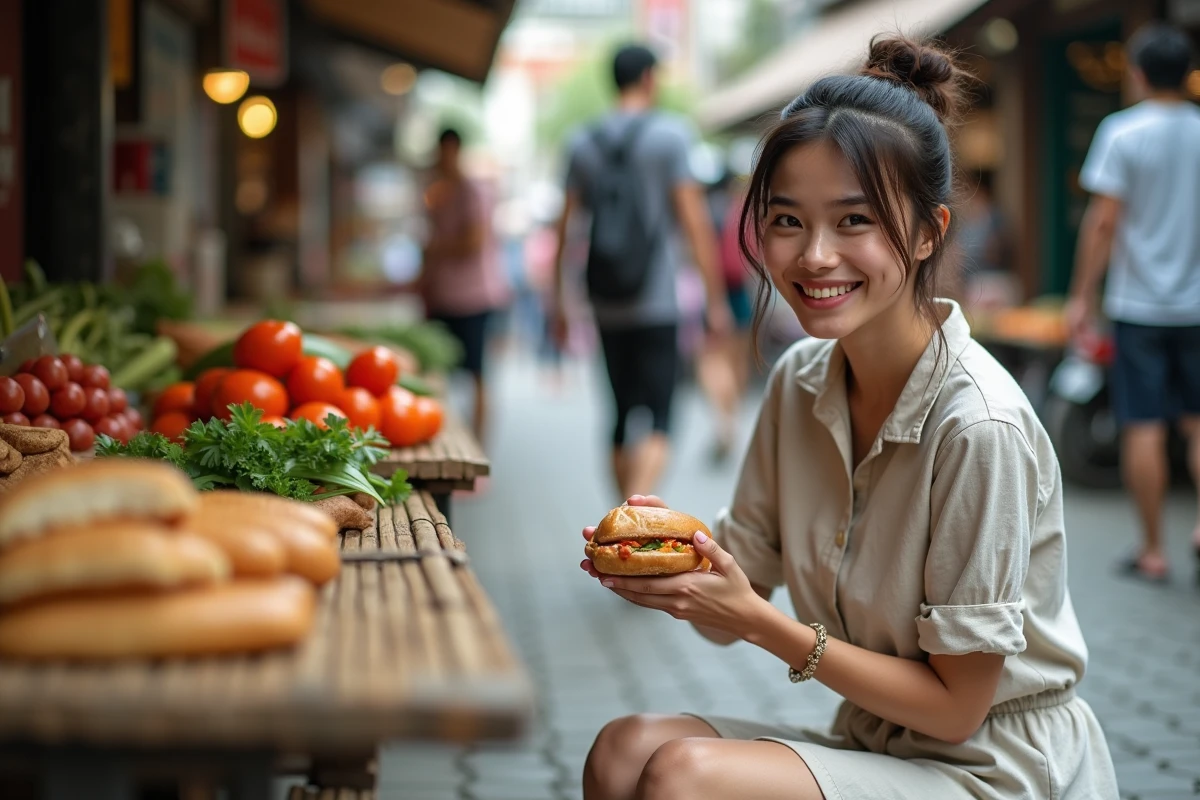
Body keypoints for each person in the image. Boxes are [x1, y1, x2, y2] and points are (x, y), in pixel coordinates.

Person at [578, 36, 1118, 800]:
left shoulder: (978, 427)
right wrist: (680, 563)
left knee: (683, 777)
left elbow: (957, 709)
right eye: (788, 220)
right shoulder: (799, 381)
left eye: (855, 220)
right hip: (875, 744)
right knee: (623, 748)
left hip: (995, 768)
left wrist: (765, 626)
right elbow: (726, 614)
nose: (814, 257)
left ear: (930, 231)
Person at [552, 43, 733, 501]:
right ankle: (632, 517)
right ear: (650, 78)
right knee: (659, 416)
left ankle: (622, 515)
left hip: (604, 299)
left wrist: (558, 300)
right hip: (657, 301)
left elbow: (565, 228)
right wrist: (714, 300)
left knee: (617, 417)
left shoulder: (581, 141)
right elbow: (694, 224)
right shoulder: (671, 136)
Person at [1066, 23, 1200, 584]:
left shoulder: (1122, 132)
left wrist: (1081, 295)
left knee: (1142, 425)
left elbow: (1102, 222)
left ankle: (1153, 550)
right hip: (1198, 306)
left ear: (1138, 73)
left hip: (1138, 306)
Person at [419, 127, 509, 443]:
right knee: (437, 372)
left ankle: (479, 446)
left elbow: (473, 241)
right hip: (444, 296)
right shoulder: (439, 191)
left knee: (478, 374)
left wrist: (435, 250)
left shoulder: (471, 192)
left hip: (474, 297)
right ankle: (443, 435)